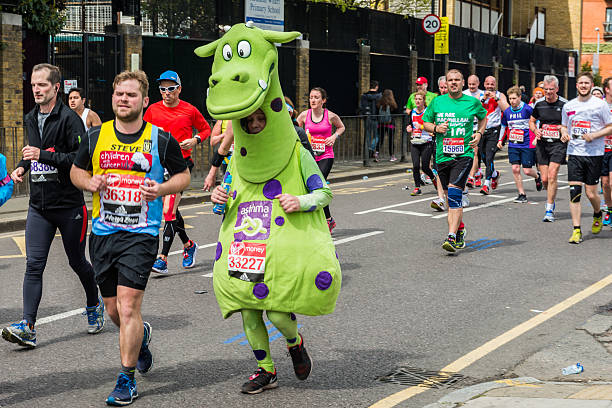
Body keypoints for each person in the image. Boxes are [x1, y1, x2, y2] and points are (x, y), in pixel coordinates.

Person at [195, 23, 341, 395]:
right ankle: (265, 370)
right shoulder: (238, 163)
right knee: (248, 310)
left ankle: (295, 343)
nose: (256, 124)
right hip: (248, 245)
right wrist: (218, 201)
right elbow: (226, 203)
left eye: (261, 119)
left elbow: (324, 194)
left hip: (283, 247)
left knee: (277, 313)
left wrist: (300, 200)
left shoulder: (296, 153)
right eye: (250, 121)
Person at [71, 70, 191, 405]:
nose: (124, 99)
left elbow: (184, 176)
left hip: (140, 235)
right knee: (112, 310)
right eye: (119, 94)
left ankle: (127, 379)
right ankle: (143, 338)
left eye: (131, 95)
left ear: (144, 101)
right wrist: (88, 182)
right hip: (104, 234)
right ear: (113, 98)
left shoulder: (160, 139)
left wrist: (162, 188)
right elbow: (76, 169)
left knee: (127, 307)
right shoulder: (96, 136)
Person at [2, 64, 103, 349]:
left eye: (42, 85)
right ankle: (28, 326)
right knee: (33, 265)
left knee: (77, 261)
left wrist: (43, 156)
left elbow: (78, 160)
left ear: (55, 88)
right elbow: (34, 152)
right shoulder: (31, 117)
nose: (36, 89)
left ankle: (93, 303)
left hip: (69, 205)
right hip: (39, 205)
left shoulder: (71, 120)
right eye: (34, 84)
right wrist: (22, 166)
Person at [143, 70, 211, 274]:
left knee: (168, 211)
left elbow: (205, 129)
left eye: (170, 88)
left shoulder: (189, 110)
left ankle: (162, 259)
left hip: (181, 166)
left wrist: (195, 140)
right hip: (157, 167)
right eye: (162, 89)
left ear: (179, 89)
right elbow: (144, 132)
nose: (166, 92)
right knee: (171, 210)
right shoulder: (153, 110)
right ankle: (189, 245)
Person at [423, 69, 487, 253]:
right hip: (442, 155)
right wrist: (436, 127)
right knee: (451, 201)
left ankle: (451, 237)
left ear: (462, 82)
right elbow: (425, 123)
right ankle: (460, 229)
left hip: (464, 155)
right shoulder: (437, 102)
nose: (453, 83)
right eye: (450, 80)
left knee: (454, 194)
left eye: (457, 80)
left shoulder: (472, 102)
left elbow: (483, 118)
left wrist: (479, 134)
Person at [561, 72, 612, 243]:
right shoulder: (569, 106)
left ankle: (597, 212)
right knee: (574, 192)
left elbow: (610, 127)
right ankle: (577, 230)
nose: (583, 85)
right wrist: (564, 133)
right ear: (576, 85)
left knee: (591, 193)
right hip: (575, 153)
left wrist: (595, 135)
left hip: (594, 154)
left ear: (591, 85)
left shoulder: (600, 105)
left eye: (586, 83)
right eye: (580, 83)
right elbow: (563, 126)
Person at [297, 87, 345, 233]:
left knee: (317, 185)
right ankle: (328, 220)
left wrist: (333, 137)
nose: (313, 100)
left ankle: (324, 220)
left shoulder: (330, 116)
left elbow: (341, 127)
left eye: (317, 97)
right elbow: (296, 130)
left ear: (323, 100)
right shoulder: (304, 115)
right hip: (310, 157)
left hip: (326, 156)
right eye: (311, 97)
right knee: (315, 188)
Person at [529, 75, 568, 222]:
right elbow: (532, 121)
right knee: (545, 179)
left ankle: (549, 209)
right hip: (543, 144)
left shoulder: (565, 104)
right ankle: (551, 198)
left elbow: (571, 122)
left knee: (552, 175)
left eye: (551, 89)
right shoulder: (539, 104)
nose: (548, 92)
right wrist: (535, 131)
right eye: (546, 89)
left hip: (558, 144)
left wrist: (562, 128)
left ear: (557, 89)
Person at [497, 86, 542, 202]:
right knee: (515, 169)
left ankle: (537, 176)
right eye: (510, 99)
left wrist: (537, 135)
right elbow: (503, 126)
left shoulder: (527, 109)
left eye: (514, 98)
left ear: (520, 97)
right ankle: (521, 194)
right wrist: (500, 140)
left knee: (527, 170)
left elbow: (537, 121)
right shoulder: (507, 112)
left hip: (526, 144)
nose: (512, 101)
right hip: (513, 144)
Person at [478, 76, 509, 195]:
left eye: (492, 84)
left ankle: (486, 184)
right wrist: (482, 99)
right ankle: (495, 174)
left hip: (494, 130)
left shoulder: (500, 95)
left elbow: (506, 109)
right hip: (481, 130)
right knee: (483, 157)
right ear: (484, 84)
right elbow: (474, 109)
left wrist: (495, 98)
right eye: (487, 84)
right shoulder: (479, 95)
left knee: (490, 156)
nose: (490, 86)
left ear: (495, 84)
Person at [405, 91, 436, 195]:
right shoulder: (412, 112)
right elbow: (410, 124)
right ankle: (417, 187)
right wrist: (409, 128)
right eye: (416, 99)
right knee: (415, 166)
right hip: (415, 141)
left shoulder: (428, 112)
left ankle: (433, 178)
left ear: (424, 101)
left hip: (426, 141)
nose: (417, 101)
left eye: (420, 99)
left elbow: (432, 126)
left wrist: (422, 127)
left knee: (425, 167)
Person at [463, 75, 484, 188]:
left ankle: (471, 176)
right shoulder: (464, 94)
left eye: (473, 84)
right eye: (470, 84)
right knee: (469, 152)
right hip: (467, 127)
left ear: (478, 83)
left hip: (478, 126)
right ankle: (477, 173)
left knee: (475, 151)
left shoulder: (482, 94)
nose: (471, 86)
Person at [359, 80, 382, 160]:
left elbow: (361, 107)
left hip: (367, 118)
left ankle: (367, 151)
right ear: (376, 87)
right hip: (376, 118)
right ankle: (371, 149)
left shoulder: (364, 96)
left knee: (367, 135)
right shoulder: (379, 96)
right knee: (376, 136)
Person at [601, 77, 612, 226]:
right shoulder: (599, 106)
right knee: (605, 184)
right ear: (607, 89)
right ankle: (610, 210)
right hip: (602, 149)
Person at [377, 89, 399, 162]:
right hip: (390, 125)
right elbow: (396, 112)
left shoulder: (380, 103)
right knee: (391, 140)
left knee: (380, 139)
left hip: (381, 125)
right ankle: (392, 156)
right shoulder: (392, 104)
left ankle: (376, 154)